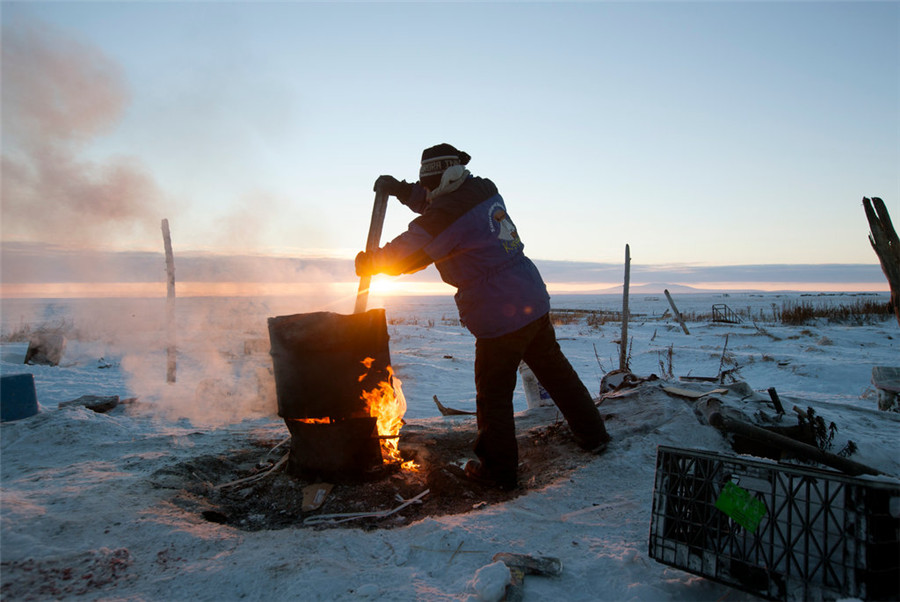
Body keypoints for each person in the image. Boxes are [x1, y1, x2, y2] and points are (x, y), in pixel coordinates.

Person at [355, 143, 610, 489]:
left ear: (441, 178)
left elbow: (412, 249)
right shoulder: (480, 189)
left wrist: (373, 261)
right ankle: (593, 435)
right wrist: (402, 190)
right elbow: (437, 201)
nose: (426, 192)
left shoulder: (448, 214)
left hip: (499, 311)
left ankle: (498, 472)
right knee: (555, 370)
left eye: (427, 184)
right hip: (530, 297)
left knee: (492, 395)